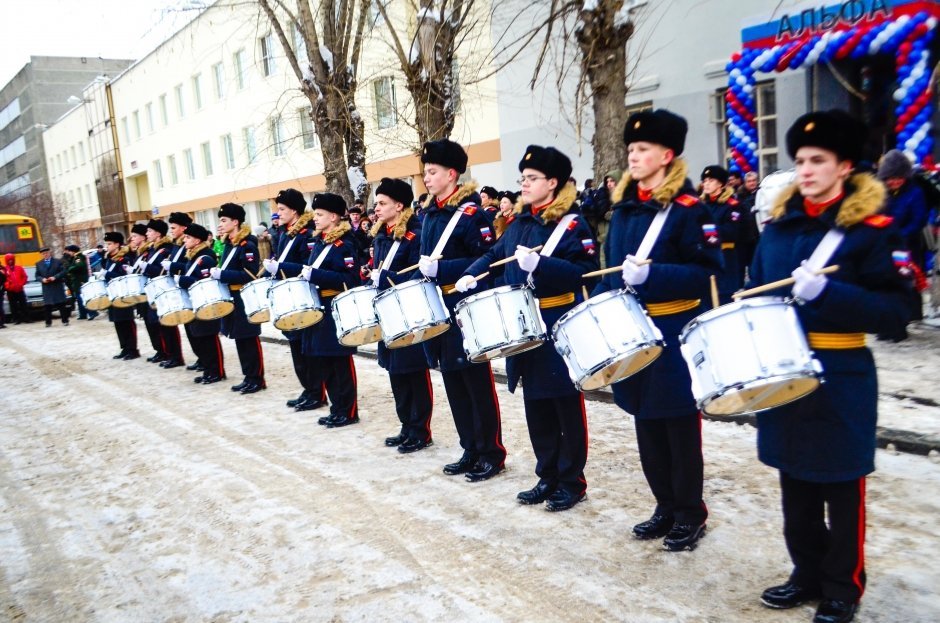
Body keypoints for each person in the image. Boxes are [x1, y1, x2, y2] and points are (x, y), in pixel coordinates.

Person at [750, 111, 911, 623]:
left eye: (818, 161)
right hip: (784, 366)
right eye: (799, 161)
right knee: (794, 476)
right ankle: (806, 573)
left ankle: (843, 585)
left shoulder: (872, 231)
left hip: (841, 369)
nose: (806, 170)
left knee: (841, 483)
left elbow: (898, 312)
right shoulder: (777, 229)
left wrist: (831, 293)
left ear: (844, 167)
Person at [595, 109, 721, 551]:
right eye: (630, 149)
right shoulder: (625, 208)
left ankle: (690, 511)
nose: (633, 156)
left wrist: (654, 276)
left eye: (642, 149)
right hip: (633, 329)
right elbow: (612, 270)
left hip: (672, 330)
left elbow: (706, 270)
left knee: (679, 427)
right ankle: (664, 504)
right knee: (645, 421)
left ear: (667, 155)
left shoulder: (689, 210)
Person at [458, 145, 598, 510]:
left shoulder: (572, 222)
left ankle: (571, 480)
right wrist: (473, 274)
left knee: (565, 405)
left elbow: (587, 274)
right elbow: (494, 255)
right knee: (536, 406)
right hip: (523, 325)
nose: (524, 184)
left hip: (557, 323)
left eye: (532, 179)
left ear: (553, 183)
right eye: (523, 178)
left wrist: (542, 265)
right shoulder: (520, 221)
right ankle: (547, 475)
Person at [416, 138, 506, 482]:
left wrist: (445, 270)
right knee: (452, 380)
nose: (427, 177)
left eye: (433, 171)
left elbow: (484, 262)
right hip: (439, 306)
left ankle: (491, 452)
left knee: (476, 381)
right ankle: (470, 447)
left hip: (464, 306)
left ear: (452, 174)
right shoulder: (430, 213)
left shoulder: (471, 215)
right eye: (425, 171)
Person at [366, 177, 434, 452]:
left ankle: (421, 430)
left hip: (407, 310)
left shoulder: (414, 234)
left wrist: (387, 277)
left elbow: (416, 275)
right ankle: (406, 425)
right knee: (395, 371)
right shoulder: (382, 234)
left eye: (382, 203)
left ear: (399, 205)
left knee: (413, 371)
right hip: (387, 311)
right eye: (377, 203)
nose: (377, 208)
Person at [299, 193, 361, 427]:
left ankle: (349, 410)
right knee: (325, 361)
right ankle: (337, 408)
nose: (314, 218)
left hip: (336, 307)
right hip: (320, 309)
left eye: (319, 214)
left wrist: (316, 275)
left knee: (340, 362)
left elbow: (350, 278)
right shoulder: (321, 242)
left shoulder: (343, 243)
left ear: (333, 217)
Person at [261, 188, 326, 412]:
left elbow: (306, 267)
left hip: (300, 298)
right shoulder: (288, 233)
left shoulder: (306, 234)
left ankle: (316, 391)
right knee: (296, 349)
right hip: (288, 298)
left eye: (282, 209)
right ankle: (308, 389)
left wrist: (280, 267)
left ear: (295, 211)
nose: (277, 213)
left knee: (305, 349)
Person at [209, 203, 266, 394]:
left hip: (243, 297)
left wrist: (222, 275)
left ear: (235, 222)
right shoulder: (229, 244)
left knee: (248, 338)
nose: (221, 224)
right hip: (231, 297)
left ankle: (257, 378)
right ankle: (248, 376)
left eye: (224, 220)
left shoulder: (247, 244)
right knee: (239, 338)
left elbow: (250, 274)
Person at [176, 223, 226, 384]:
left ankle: (216, 371)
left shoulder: (205, 257)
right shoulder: (192, 255)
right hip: (195, 302)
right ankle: (207, 369)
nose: (185, 240)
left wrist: (183, 280)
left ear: (197, 240)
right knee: (199, 337)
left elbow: (203, 281)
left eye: (188, 237)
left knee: (208, 338)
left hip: (205, 302)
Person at [140, 219, 185, 368]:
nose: (147, 234)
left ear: (158, 233)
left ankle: (176, 356)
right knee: (159, 323)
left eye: (150, 231)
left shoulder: (165, 249)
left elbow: (161, 271)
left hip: (164, 288)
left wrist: (147, 267)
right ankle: (167, 353)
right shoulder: (153, 249)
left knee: (168, 323)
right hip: (155, 289)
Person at [162, 212, 204, 373]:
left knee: (196, 327)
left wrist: (172, 267)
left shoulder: (188, 247)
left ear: (184, 228)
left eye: (173, 228)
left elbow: (187, 268)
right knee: (189, 327)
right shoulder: (177, 245)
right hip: (181, 287)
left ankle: (203, 357)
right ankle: (200, 357)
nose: (171, 231)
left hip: (189, 287)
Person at [877, 149, 929, 271]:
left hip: (908, 244)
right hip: (883, 244)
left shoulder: (915, 192)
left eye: (899, 177)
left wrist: (899, 235)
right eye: (891, 178)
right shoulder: (878, 192)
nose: (895, 182)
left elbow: (918, 220)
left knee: (907, 277)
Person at [700, 165, 743, 301]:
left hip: (724, 259)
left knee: (724, 300)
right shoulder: (701, 205)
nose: (706, 184)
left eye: (711, 180)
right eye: (705, 180)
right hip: (704, 260)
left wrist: (706, 230)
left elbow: (731, 232)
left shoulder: (732, 205)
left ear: (721, 184)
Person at [101, 232, 140, 359]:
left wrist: (106, 274)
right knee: (118, 322)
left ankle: (132, 349)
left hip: (123, 295)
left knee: (127, 322)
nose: (107, 246)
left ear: (117, 244)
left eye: (109, 244)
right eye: (106, 244)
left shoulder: (124, 258)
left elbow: (124, 277)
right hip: (112, 294)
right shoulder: (108, 259)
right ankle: (124, 347)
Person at [35, 247, 70, 327]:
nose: (45, 255)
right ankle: (48, 322)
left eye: (46, 253)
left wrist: (55, 277)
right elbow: (37, 275)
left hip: (57, 285)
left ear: (49, 253)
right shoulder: (39, 264)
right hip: (47, 287)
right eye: (43, 254)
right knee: (47, 306)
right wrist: (42, 279)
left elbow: (63, 271)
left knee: (61, 304)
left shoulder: (57, 261)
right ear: (41, 255)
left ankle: (65, 321)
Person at [736, 171, 761, 285]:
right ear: (745, 183)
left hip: (757, 235)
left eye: (754, 181)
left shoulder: (761, 194)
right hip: (743, 237)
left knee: (755, 264)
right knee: (741, 264)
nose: (752, 183)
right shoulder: (739, 196)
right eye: (749, 181)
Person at [63, 244, 96, 320]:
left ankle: (92, 313)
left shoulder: (78, 257)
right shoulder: (74, 257)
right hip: (77, 281)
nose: (69, 253)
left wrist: (70, 268)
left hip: (80, 281)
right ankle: (83, 314)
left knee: (83, 298)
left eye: (70, 251)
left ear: (73, 251)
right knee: (79, 298)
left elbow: (79, 265)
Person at [4, 253, 29, 324]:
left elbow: (24, 277)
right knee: (13, 306)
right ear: (6, 261)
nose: (10, 261)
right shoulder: (5, 269)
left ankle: (26, 318)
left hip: (20, 289)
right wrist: (8, 286)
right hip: (11, 291)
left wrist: (21, 284)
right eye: (9, 260)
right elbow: (3, 280)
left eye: (11, 260)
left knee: (23, 304)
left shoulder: (19, 268)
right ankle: (16, 319)